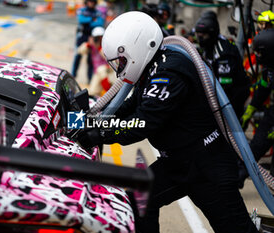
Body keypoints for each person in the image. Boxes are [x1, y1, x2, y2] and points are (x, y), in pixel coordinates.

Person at [77, 11, 258, 233]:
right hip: (178, 162)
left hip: (206, 166)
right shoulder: (153, 67)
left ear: (138, 47)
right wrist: (83, 122)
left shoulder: (169, 71)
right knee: (138, 202)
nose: (120, 66)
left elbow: (143, 122)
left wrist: (98, 134)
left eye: (122, 60)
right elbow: (128, 106)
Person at [194, 11, 251, 119]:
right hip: (219, 96)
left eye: (203, 35)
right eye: (198, 34)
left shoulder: (223, 52)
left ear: (212, 33)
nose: (200, 38)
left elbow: (225, 85)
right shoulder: (208, 48)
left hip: (232, 98)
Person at [239, 29, 274, 185]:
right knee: (255, 148)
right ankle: (234, 181)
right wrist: (250, 110)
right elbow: (264, 88)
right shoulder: (270, 67)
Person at [71, 0, 105, 81]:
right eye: (90, 1)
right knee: (78, 56)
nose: (91, 3)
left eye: (93, 2)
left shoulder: (98, 12)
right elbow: (81, 20)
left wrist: (88, 21)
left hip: (92, 38)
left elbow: (100, 22)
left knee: (91, 59)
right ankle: (73, 75)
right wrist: (92, 19)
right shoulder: (82, 10)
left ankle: (90, 78)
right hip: (82, 37)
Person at [77, 26, 115, 96]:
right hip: (97, 72)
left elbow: (108, 58)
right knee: (92, 92)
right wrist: (88, 45)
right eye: (96, 37)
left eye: (100, 37)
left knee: (101, 70)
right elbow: (79, 51)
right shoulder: (91, 46)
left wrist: (100, 47)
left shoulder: (106, 46)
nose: (98, 39)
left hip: (108, 71)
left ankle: (110, 93)